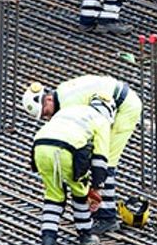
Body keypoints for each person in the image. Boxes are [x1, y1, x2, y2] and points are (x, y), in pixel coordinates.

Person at [22, 75, 141, 235]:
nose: (48, 118)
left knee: (107, 160)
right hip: (115, 103)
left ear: (48, 99)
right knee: (98, 158)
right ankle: (100, 210)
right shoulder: (63, 94)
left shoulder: (68, 105)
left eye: (46, 113)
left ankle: (107, 217)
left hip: (124, 108)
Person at [30, 95, 117, 245]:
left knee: (53, 194)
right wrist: (97, 188)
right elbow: (100, 159)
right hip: (68, 150)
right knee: (80, 191)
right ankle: (85, 235)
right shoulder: (101, 121)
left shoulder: (71, 109)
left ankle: (48, 238)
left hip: (40, 147)